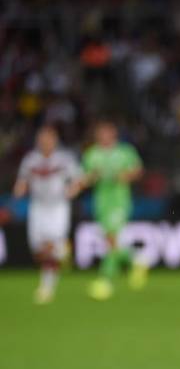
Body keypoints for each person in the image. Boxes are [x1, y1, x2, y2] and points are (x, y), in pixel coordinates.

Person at [11, 125, 82, 304]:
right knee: (38, 251)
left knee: (49, 246)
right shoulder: (30, 160)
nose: (45, 142)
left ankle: (47, 287)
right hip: (38, 207)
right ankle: (63, 251)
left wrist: (71, 191)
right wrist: (19, 190)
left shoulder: (64, 159)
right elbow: (22, 180)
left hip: (58, 207)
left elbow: (78, 180)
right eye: (42, 139)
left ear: (55, 140)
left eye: (48, 139)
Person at [77, 120, 146, 300]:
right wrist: (92, 177)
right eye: (100, 133)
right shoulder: (91, 154)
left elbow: (138, 170)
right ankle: (134, 260)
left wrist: (125, 175)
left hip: (119, 200)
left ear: (113, 134)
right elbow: (86, 178)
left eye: (107, 133)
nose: (103, 136)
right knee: (110, 241)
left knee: (111, 240)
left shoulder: (125, 152)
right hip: (101, 202)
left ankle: (105, 281)